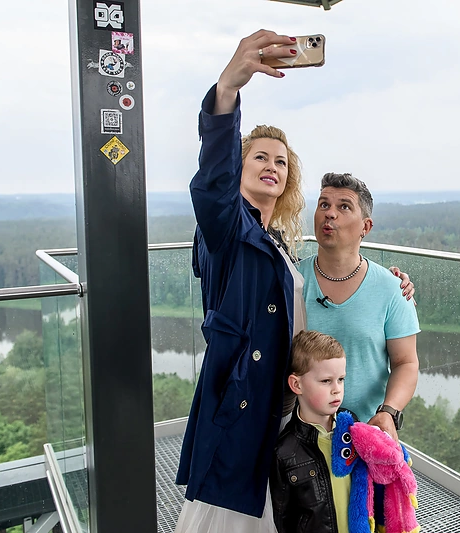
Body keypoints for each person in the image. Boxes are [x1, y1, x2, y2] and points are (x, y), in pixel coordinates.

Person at [174, 30, 414, 533]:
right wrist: (228, 91)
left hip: (285, 411)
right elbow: (212, 188)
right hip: (245, 406)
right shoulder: (227, 227)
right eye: (259, 156)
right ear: (238, 166)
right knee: (233, 517)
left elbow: (324, 294)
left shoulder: (279, 243)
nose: (271, 165)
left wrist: (391, 285)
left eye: (281, 161)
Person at [297, 173, 420, 441]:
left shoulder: (392, 288)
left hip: (365, 436)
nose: (330, 214)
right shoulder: (291, 281)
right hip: (296, 436)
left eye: (344, 207)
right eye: (323, 205)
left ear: (366, 227)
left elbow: (406, 362)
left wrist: (389, 412)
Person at [270, 330, 352, 533]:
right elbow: (284, 520)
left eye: (341, 379)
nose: (337, 389)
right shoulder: (284, 452)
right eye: (326, 381)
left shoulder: (353, 427)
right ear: (296, 384)